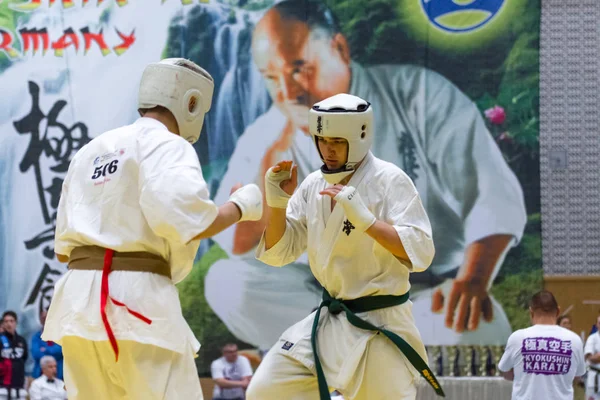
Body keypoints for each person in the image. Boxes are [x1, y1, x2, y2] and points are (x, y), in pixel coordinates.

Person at [205, 0, 527, 351]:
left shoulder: (417, 95)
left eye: (300, 68)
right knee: (226, 283)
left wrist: (473, 279)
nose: (289, 92)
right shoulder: (267, 134)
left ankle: (339, 352)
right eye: (271, 78)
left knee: (476, 328)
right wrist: (272, 166)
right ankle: (344, 348)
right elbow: (237, 243)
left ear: (339, 49)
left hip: (419, 294)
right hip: (325, 300)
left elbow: (491, 193)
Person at [42, 58, 264, 400]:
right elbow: (186, 216)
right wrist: (240, 206)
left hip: (77, 305)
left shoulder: (89, 151)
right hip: (137, 301)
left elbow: (61, 247)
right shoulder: (169, 144)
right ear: (191, 102)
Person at [245, 93, 443, 400]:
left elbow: (421, 252)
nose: (328, 149)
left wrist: (367, 221)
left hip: (380, 323)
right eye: (321, 140)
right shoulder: (313, 185)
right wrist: (276, 204)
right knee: (265, 392)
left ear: (361, 135)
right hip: (330, 320)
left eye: (337, 141)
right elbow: (278, 252)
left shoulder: (389, 180)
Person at [498, 291, 586, 400]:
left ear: (531, 312)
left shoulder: (517, 338)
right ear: (558, 311)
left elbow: (505, 371)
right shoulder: (574, 340)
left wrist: (524, 375)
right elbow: (577, 376)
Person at [0, 311, 28, 400]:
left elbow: (24, 358)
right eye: (6, 321)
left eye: (11, 321)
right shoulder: (0, 339)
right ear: (3, 324)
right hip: (2, 387)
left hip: (18, 386)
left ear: (16, 323)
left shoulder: (21, 341)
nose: (9, 324)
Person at [31, 310, 63, 380]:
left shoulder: (59, 335)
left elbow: (60, 350)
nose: (45, 320)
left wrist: (45, 349)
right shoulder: (36, 337)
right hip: (39, 375)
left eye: (47, 317)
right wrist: (52, 351)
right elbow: (36, 353)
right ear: (40, 320)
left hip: (59, 375)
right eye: (43, 318)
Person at [584, 315, 600, 400]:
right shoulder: (592, 338)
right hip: (594, 379)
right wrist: (595, 357)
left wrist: (598, 356)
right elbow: (590, 358)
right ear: (596, 325)